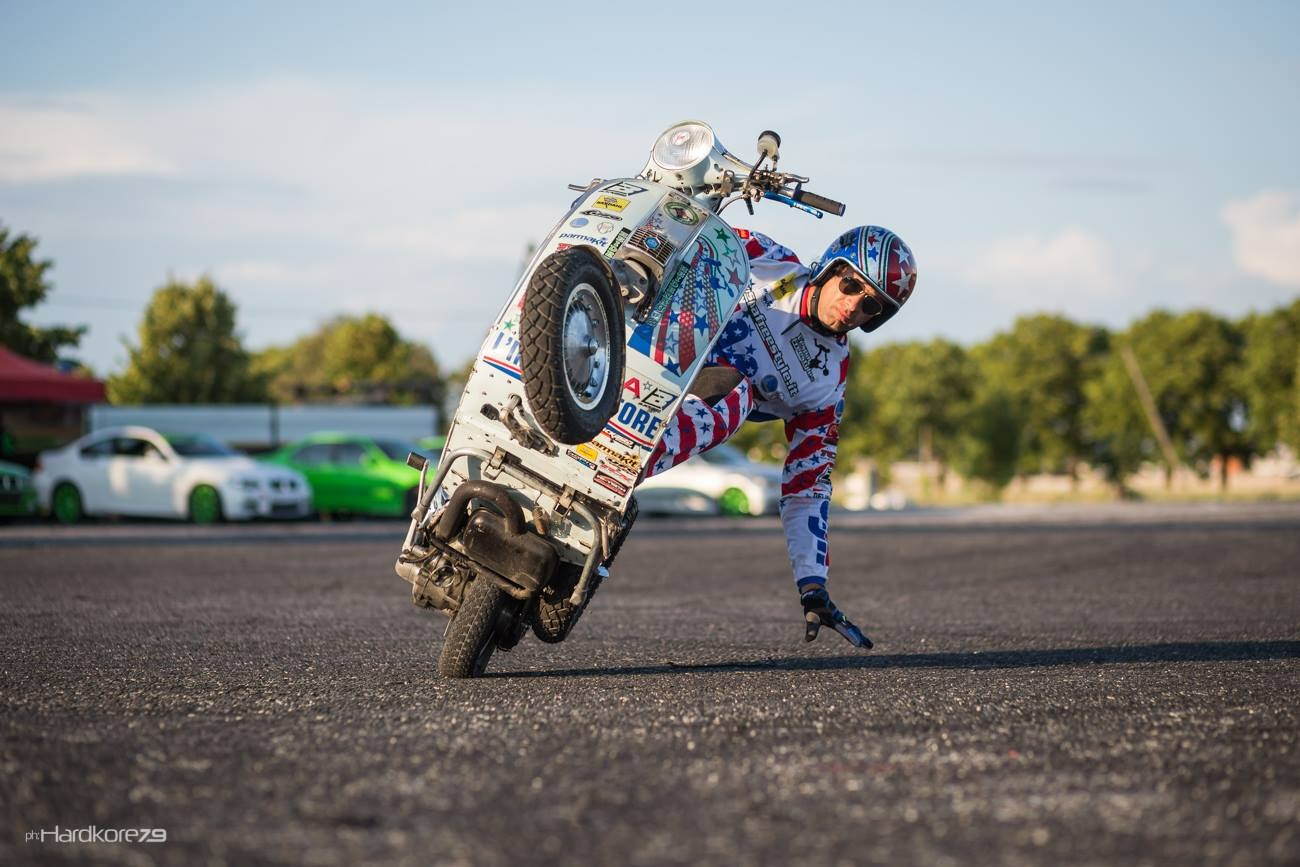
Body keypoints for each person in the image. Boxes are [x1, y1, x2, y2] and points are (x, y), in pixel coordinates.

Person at [639, 225, 918, 649]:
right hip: (649, 340)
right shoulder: (769, 259)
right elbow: (693, 222)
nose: (853, 307)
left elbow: (809, 484)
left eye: (871, 306)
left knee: (737, 393)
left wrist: (813, 584)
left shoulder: (828, 381)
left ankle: (614, 478)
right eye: (850, 285)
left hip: (700, 402)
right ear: (830, 267)